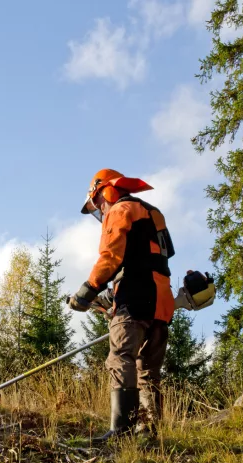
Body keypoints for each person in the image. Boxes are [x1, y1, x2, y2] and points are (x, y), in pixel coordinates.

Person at [69, 169, 175, 442]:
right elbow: (155, 256)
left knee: (120, 358)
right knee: (148, 369)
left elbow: (111, 256)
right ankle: (149, 433)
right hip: (161, 300)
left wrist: (88, 290)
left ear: (106, 191)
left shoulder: (120, 210)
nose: (101, 211)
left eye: (98, 204)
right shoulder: (153, 212)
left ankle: (121, 431)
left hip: (135, 296)